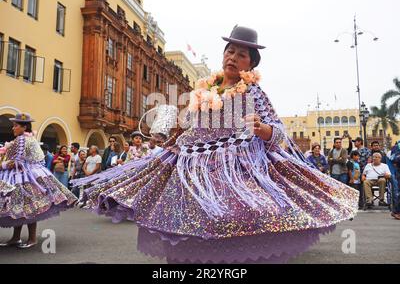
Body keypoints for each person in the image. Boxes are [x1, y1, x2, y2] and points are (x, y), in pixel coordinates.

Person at [77, 26, 359, 264]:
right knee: (182, 221)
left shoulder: (253, 91)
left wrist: (263, 129)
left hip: (237, 168)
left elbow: (280, 133)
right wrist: (170, 135)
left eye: (241, 54)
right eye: (230, 51)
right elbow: (189, 124)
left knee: (238, 220)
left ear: (251, 64)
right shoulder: (205, 89)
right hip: (191, 165)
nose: (233, 58)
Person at [0, 113, 77, 248]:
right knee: (23, 207)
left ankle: (31, 239)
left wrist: (2, 165)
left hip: (22, 176)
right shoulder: (31, 139)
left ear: (24, 127)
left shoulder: (21, 139)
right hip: (32, 174)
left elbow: (17, 161)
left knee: (27, 207)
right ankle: (17, 238)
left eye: (16, 126)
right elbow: (39, 158)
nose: (13, 128)